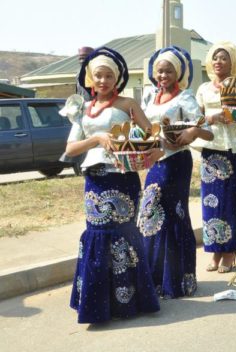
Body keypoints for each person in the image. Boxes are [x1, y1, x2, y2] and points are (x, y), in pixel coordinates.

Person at [64, 47, 160, 324]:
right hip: (94, 179)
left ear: (117, 79)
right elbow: (70, 149)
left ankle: (129, 303)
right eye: (98, 76)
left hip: (123, 177)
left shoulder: (128, 104)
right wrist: (97, 139)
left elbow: (154, 138)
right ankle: (97, 305)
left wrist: (152, 153)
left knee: (123, 235)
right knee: (96, 234)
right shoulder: (83, 109)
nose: (103, 81)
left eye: (109, 76)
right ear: (90, 79)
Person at [139, 46, 213, 298]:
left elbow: (206, 130)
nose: (163, 75)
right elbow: (144, 129)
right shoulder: (149, 98)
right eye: (159, 71)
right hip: (154, 161)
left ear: (178, 73)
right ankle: (155, 279)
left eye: (168, 71)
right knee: (151, 215)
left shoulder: (185, 98)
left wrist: (192, 131)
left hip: (175, 162)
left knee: (173, 215)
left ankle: (178, 280)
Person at [193, 42, 236, 273]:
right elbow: (196, 119)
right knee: (211, 202)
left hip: (232, 148)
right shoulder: (203, 89)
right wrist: (213, 116)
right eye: (216, 58)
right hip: (210, 147)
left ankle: (230, 251)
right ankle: (215, 250)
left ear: (233, 63)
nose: (219, 62)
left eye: (224, 58)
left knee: (231, 202)